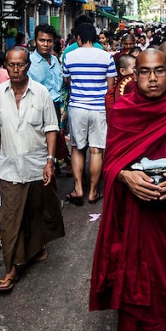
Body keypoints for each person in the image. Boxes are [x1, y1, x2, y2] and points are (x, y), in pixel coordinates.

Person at [89, 48, 166, 331]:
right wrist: (125, 176)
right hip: (136, 213)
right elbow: (112, 160)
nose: (152, 79)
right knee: (133, 280)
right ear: (134, 75)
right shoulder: (122, 111)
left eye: (159, 71)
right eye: (145, 72)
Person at [0, 47, 65, 293]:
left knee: (35, 212)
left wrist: (50, 161)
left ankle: (36, 245)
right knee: (9, 221)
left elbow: (52, 128)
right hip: (10, 167)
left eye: (20, 64)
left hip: (37, 165)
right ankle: (11, 268)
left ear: (28, 65)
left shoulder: (41, 94)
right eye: (11, 65)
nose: (16, 69)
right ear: (5, 66)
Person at [62, 24, 117, 205]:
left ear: (78, 37)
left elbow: (67, 81)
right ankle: (93, 192)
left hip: (77, 107)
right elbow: (111, 86)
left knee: (77, 148)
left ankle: (78, 189)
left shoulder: (69, 56)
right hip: (98, 108)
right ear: (94, 37)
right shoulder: (106, 57)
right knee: (96, 150)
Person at [27, 24, 64, 120]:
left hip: (56, 107)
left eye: (49, 41)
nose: (46, 44)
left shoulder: (55, 60)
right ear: (35, 41)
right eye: (42, 40)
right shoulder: (29, 62)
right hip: (37, 108)